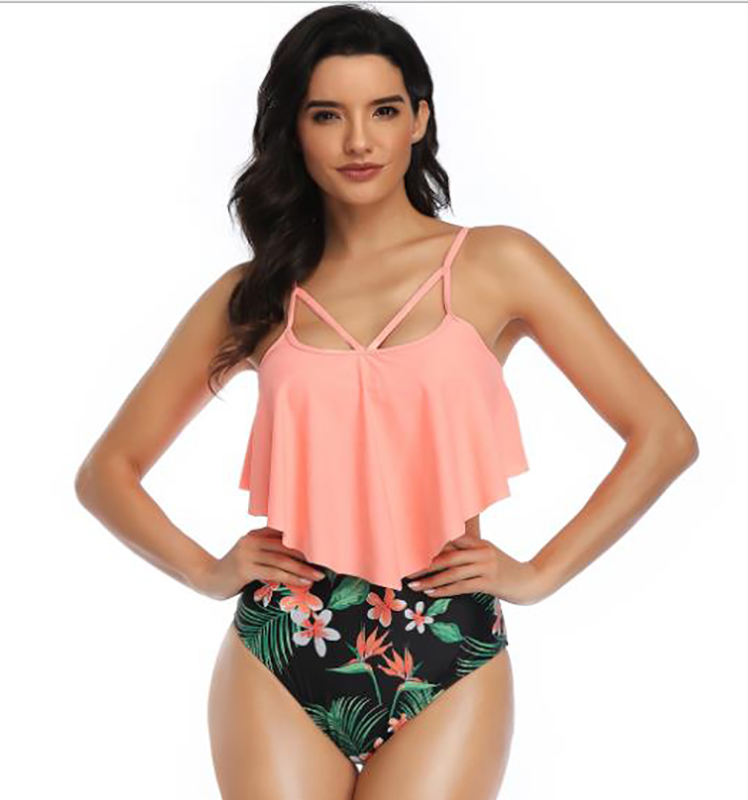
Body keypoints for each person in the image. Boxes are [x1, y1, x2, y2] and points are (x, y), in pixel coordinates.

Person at [75, 5, 699, 799]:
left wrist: (541, 573)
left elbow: (663, 436)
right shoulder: (258, 294)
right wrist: (206, 570)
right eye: (326, 115)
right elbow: (107, 472)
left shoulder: (496, 262)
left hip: (450, 644)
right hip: (283, 645)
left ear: (419, 120)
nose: (358, 141)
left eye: (383, 110)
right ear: (294, 130)